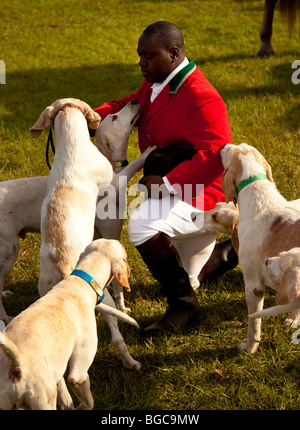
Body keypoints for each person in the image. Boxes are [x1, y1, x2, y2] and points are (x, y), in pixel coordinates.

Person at [94, 21, 238, 336]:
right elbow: (128, 104)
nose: (141, 63)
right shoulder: (158, 80)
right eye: (139, 56)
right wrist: (85, 114)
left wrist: (169, 183)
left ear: (173, 53)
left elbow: (216, 154)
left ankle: (184, 305)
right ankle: (226, 253)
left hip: (201, 194)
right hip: (171, 190)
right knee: (190, 273)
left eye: (149, 56)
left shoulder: (202, 96)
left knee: (141, 222)